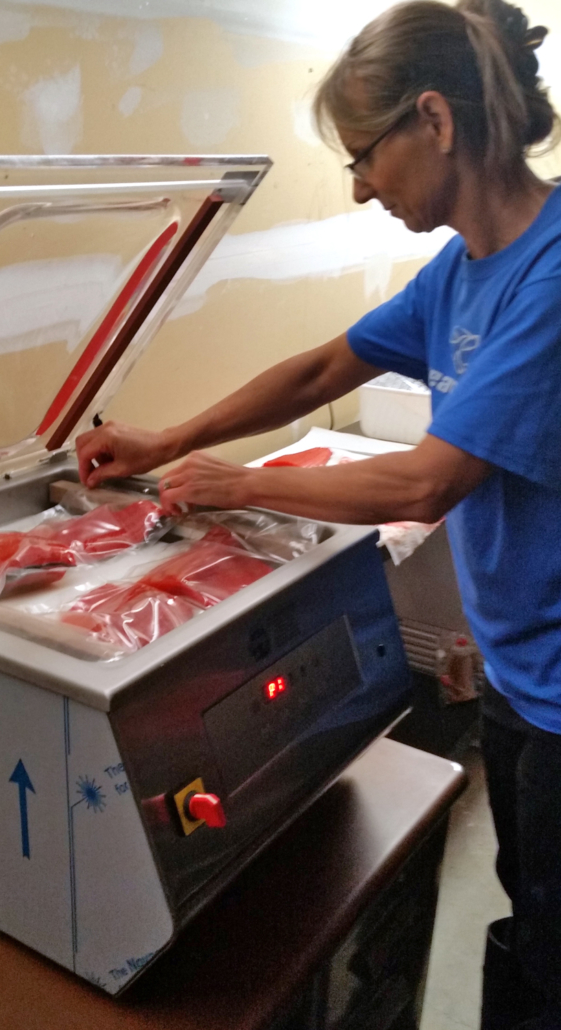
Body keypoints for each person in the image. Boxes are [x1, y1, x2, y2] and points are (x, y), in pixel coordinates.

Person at [77, 2, 561, 1026]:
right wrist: (165, 441)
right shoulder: (462, 270)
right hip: (523, 668)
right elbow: (323, 365)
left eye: (361, 158)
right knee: (533, 905)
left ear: (432, 118)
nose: (357, 188)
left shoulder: (551, 277)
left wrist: (239, 483)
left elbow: (425, 482)